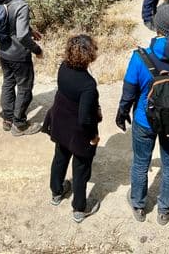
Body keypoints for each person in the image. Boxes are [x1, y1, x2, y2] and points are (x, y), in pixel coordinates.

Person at [115, 4, 169, 225]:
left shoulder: (139, 58)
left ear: (157, 27)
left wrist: (122, 112)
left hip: (145, 120)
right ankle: (165, 210)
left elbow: (128, 92)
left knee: (141, 163)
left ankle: (139, 205)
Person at [45, 35, 102, 223]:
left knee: (60, 158)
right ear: (89, 56)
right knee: (81, 169)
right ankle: (79, 208)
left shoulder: (63, 67)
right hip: (78, 133)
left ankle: (57, 192)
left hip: (60, 123)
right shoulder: (88, 84)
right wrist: (93, 136)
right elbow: (85, 117)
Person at [0, 0, 44, 136]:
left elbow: (10, 23)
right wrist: (36, 49)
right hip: (18, 55)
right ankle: (20, 124)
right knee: (24, 86)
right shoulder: (21, 5)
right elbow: (21, 35)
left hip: (3, 52)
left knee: (8, 82)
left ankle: (7, 119)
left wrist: (31, 30)